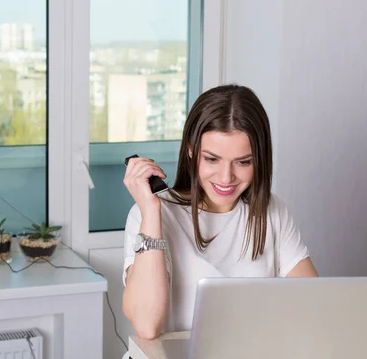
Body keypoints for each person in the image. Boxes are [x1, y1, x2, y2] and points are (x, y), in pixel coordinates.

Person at [122, 84, 318, 340]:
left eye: (243, 162)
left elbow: (313, 305)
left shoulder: (271, 211)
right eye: (212, 159)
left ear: (260, 158)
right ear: (192, 150)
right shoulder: (149, 216)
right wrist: (150, 212)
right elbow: (147, 325)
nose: (226, 177)